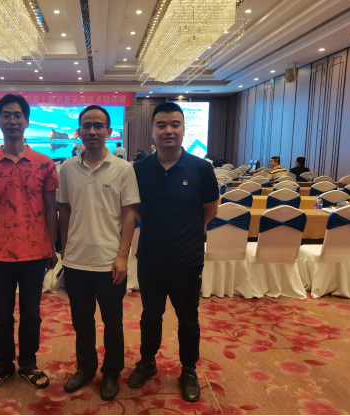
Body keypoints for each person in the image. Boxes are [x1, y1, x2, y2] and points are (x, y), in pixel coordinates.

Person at [128, 102, 219, 403]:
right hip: (151, 258)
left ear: (183, 129)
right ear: (153, 131)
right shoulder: (139, 169)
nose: (168, 130)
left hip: (187, 259)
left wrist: (184, 232)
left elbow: (209, 210)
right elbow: (137, 210)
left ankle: (189, 369)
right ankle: (147, 361)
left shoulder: (201, 168)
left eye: (175, 124)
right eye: (162, 125)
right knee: (150, 315)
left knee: (188, 318)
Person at [0, 94, 59, 395]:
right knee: (1, 316)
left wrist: (51, 247)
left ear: (26, 121)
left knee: (31, 314)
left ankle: (29, 364)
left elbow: (51, 208)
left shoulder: (44, 163)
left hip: (34, 252)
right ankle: (2, 365)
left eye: (17, 115)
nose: (12, 120)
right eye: (6, 115)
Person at [58, 105, 140, 402]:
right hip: (76, 260)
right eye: (87, 125)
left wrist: (122, 256)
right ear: (78, 131)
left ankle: (111, 372)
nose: (92, 131)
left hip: (109, 262)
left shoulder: (123, 168)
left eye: (99, 125)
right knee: (81, 321)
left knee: (113, 322)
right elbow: (64, 210)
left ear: (109, 131)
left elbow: (129, 214)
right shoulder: (67, 168)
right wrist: (65, 250)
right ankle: (86, 368)